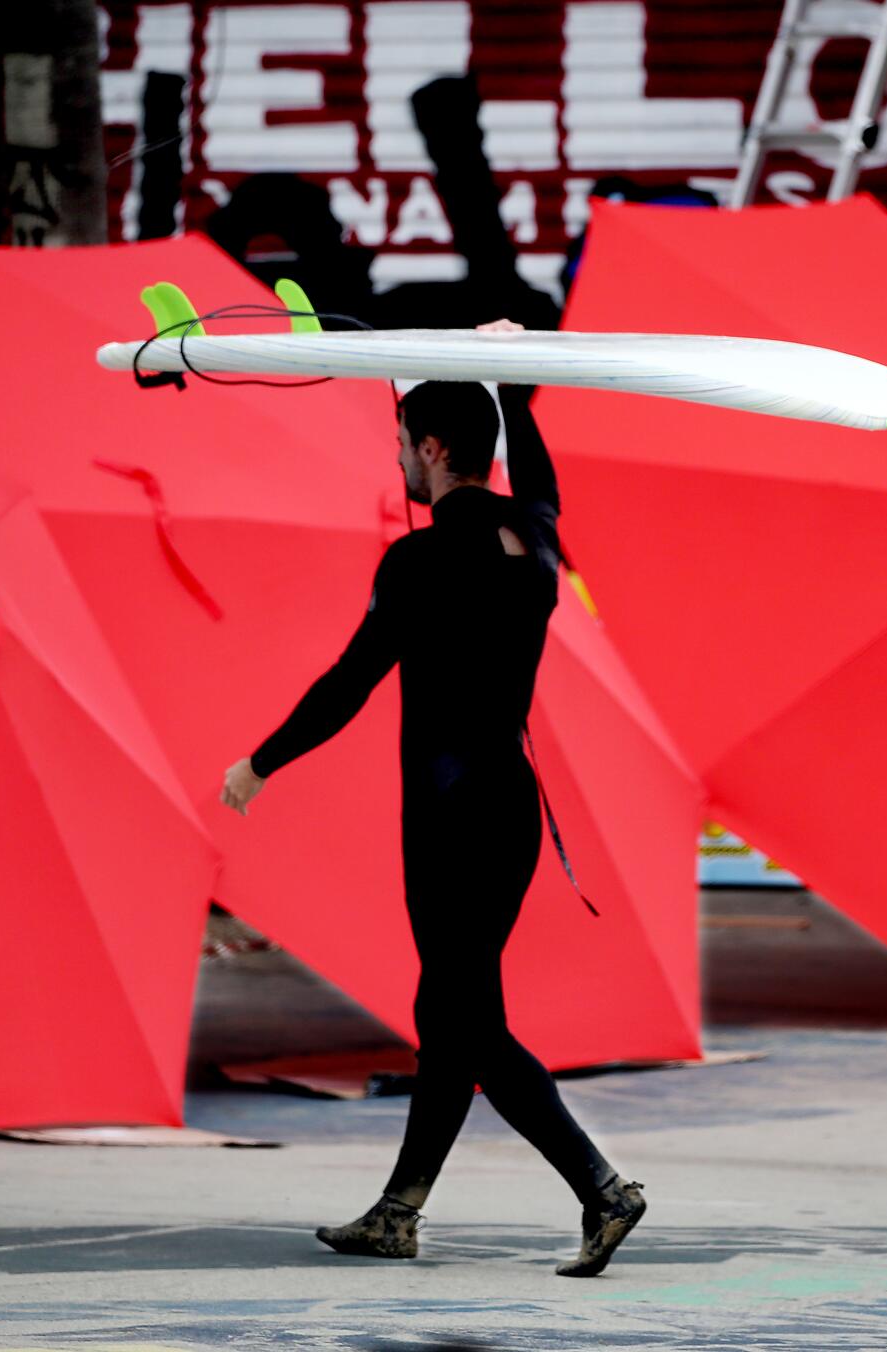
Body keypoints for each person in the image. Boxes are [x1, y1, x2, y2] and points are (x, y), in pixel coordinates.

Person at [219, 321, 645, 1278]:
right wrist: (508, 371)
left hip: (449, 820)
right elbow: (541, 476)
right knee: (449, 1012)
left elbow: (347, 683)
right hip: (511, 810)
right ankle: (398, 1211)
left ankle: (601, 1187)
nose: (400, 462)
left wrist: (259, 763)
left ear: (437, 448)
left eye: (404, 444)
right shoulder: (533, 539)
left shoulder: (417, 565)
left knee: (469, 1023)